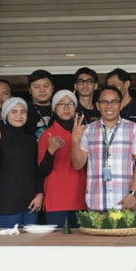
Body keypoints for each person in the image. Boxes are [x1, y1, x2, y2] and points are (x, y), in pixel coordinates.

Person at [71, 86, 136, 211]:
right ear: (97, 105)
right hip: (96, 203)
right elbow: (78, 164)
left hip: (125, 203)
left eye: (114, 102)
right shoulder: (88, 130)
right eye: (104, 102)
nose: (109, 106)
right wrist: (74, 141)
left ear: (121, 105)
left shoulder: (133, 129)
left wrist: (133, 193)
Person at [0, 97, 43, 228]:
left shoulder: (31, 140)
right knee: (8, 241)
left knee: (31, 241)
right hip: (7, 204)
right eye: (14, 112)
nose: (19, 115)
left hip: (31, 204)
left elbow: (37, 171)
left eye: (23, 112)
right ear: (5, 115)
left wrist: (39, 194)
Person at [38, 90, 86, 227]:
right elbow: (42, 171)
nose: (66, 107)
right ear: (54, 108)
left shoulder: (84, 132)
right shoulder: (48, 134)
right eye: (61, 104)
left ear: (75, 108)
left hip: (80, 196)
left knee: (80, 239)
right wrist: (50, 151)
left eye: (70, 104)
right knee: (56, 240)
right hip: (56, 199)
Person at [105, 68, 136, 134]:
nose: (112, 90)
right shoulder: (107, 110)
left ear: (127, 84)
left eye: (115, 86)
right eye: (109, 87)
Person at [24, 69, 55, 139]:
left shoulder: (60, 108)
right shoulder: (23, 110)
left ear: (52, 88)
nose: (42, 90)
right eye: (36, 87)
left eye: (46, 86)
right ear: (30, 90)